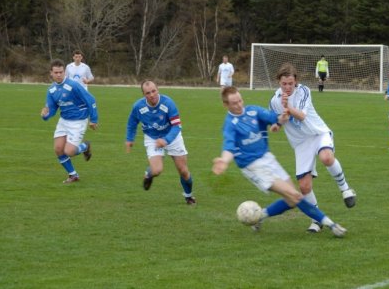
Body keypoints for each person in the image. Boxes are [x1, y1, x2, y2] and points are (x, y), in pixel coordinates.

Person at [212, 86, 347, 237]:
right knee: (295, 195)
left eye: (240, 100)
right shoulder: (230, 124)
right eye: (234, 103)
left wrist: (281, 119)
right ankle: (331, 224)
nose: (239, 105)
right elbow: (229, 147)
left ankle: (259, 216)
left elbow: (274, 118)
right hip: (253, 167)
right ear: (226, 105)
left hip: (268, 159)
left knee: (291, 200)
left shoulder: (253, 111)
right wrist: (224, 161)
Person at [269, 63, 356, 233]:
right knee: (304, 187)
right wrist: (276, 125)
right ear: (278, 82)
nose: (287, 87)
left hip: (317, 133)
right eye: (284, 84)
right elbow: (276, 120)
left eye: (290, 84)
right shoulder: (274, 101)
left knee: (326, 157)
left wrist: (287, 107)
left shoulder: (304, 91)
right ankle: (316, 220)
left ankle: (345, 189)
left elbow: (301, 116)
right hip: (301, 144)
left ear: (296, 82)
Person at [125, 80, 196, 205]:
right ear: (143, 94)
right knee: (157, 170)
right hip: (152, 138)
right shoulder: (138, 107)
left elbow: (176, 126)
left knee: (183, 171)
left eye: (154, 91)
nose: (152, 95)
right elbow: (132, 124)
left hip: (172, 136)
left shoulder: (168, 103)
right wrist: (129, 139)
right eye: (148, 93)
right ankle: (149, 173)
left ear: (158, 90)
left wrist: (166, 140)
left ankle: (188, 196)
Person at [40, 59, 98, 184]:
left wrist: (94, 119)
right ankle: (73, 175)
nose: (59, 75)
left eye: (61, 72)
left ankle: (85, 146)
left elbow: (91, 100)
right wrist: (45, 115)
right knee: (58, 149)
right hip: (64, 121)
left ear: (64, 72)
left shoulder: (74, 85)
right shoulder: (51, 90)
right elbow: (52, 109)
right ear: (51, 73)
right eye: (56, 72)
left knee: (69, 151)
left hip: (78, 121)